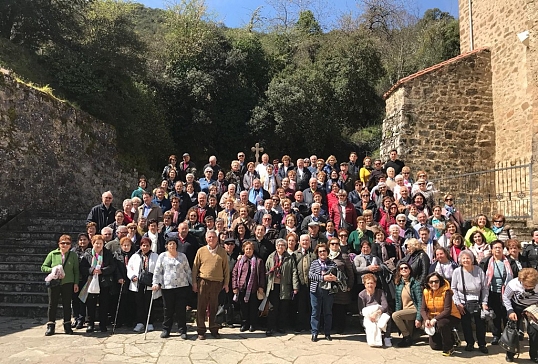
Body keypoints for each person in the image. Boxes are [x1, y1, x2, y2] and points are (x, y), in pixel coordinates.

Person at [192, 230, 230, 340]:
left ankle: (214, 329)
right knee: (201, 307)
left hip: (217, 283)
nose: (211, 239)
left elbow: (226, 269)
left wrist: (226, 283)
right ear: (206, 239)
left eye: (213, 237)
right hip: (203, 282)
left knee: (214, 307)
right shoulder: (201, 251)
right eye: (209, 237)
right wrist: (194, 282)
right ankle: (201, 331)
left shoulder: (222, 252)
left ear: (217, 239)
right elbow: (195, 268)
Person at [152, 236, 192, 339]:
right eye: (170, 244)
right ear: (166, 246)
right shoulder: (162, 256)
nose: (172, 245)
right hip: (167, 287)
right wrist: (156, 283)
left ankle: (182, 330)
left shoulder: (182, 256)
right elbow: (158, 271)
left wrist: (193, 283)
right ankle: (166, 330)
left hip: (181, 286)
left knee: (180, 310)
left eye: (174, 243)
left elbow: (188, 271)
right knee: (168, 310)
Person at [451, 250, 489, 353]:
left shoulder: (479, 270)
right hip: (463, 302)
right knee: (466, 324)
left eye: (468, 258)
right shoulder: (457, 272)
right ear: (460, 260)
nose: (466, 260)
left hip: (478, 302)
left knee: (480, 324)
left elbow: (485, 288)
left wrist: (484, 302)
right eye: (463, 258)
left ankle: (482, 343)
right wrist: (458, 303)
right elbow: (453, 288)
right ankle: (469, 343)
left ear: (472, 259)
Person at [41, 235, 80, 336]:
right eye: (63, 243)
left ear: (70, 245)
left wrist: (76, 283)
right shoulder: (53, 254)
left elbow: (76, 270)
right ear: (59, 244)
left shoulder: (73, 255)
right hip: (55, 282)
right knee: (52, 304)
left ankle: (67, 325)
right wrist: (52, 269)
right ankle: (51, 325)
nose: (65, 245)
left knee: (67, 304)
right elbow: (43, 267)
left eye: (67, 243)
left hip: (68, 282)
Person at [479, 239, 513, 345]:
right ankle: (496, 335)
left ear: (503, 249)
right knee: (496, 315)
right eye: (495, 247)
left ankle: (508, 336)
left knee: (506, 314)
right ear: (492, 250)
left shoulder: (509, 262)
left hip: (507, 292)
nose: (498, 249)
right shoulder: (486, 261)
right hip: (492, 292)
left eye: (500, 247)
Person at [81, 234, 117, 333]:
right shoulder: (88, 253)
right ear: (93, 243)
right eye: (97, 243)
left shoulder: (107, 253)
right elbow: (82, 267)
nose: (98, 245)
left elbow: (112, 266)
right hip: (91, 281)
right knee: (90, 303)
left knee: (104, 303)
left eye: (100, 243)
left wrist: (102, 271)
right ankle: (90, 323)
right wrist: (91, 270)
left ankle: (103, 324)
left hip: (103, 282)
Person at [421, 272, 461, 356]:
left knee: (441, 324)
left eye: (436, 281)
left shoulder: (447, 292)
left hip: (451, 316)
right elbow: (422, 309)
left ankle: (449, 348)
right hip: (434, 317)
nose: (434, 284)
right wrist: (426, 319)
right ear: (428, 283)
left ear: (440, 281)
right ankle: (452, 337)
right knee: (435, 346)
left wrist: (434, 320)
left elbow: (447, 310)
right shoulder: (425, 292)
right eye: (431, 282)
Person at [265, 238, 299, 336]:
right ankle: (270, 327)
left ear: (285, 247)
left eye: (282, 245)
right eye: (279, 245)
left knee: (283, 308)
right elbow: (266, 270)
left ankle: (281, 327)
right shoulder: (271, 257)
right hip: (273, 286)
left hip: (285, 286)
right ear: (276, 247)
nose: (280, 247)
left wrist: (295, 286)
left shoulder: (289, 258)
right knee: (272, 308)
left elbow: (294, 272)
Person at [502, 268, 538, 362]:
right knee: (513, 331)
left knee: (534, 332)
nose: (527, 287)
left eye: (530, 286)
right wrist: (510, 311)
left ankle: (534, 354)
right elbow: (506, 297)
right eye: (525, 285)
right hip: (516, 306)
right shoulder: (513, 284)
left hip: (533, 307)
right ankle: (510, 353)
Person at [127, 237, 161, 333]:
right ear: (140, 246)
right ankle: (140, 322)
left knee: (149, 303)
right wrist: (132, 276)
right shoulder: (135, 256)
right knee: (139, 303)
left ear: (150, 246)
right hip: (137, 283)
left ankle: (149, 322)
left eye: (147, 245)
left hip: (150, 283)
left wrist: (156, 282)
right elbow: (129, 267)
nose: (145, 247)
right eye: (143, 245)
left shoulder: (155, 256)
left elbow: (158, 270)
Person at [232, 241, 266, 332]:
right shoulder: (240, 261)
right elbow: (234, 273)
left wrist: (261, 286)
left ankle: (252, 324)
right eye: (246, 249)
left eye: (250, 249)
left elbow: (262, 275)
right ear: (243, 250)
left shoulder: (259, 261)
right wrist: (235, 286)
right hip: (242, 288)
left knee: (253, 308)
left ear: (253, 249)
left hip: (254, 289)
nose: (248, 250)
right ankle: (245, 323)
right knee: (244, 308)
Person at [309, 243, 337, 342]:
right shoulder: (314, 263)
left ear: (327, 252)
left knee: (328, 312)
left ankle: (327, 333)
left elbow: (337, 275)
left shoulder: (332, 263)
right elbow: (310, 275)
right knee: (315, 312)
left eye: (324, 251)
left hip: (328, 291)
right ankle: (314, 332)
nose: (322, 253)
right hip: (315, 290)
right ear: (317, 253)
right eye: (320, 251)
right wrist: (323, 278)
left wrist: (335, 278)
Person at [392, 262, 423, 348]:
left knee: (395, 315)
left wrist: (418, 318)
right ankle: (407, 338)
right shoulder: (398, 284)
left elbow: (420, 302)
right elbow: (398, 302)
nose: (404, 270)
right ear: (399, 271)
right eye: (401, 268)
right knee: (409, 335)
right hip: (405, 311)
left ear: (409, 270)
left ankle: (407, 337)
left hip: (414, 310)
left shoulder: (415, 284)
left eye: (406, 268)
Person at [328, 237, 354, 334]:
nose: (334, 246)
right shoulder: (326, 256)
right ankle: (331, 327)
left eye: (336, 244)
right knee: (330, 307)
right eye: (332, 244)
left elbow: (350, 273)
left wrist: (350, 285)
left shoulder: (344, 256)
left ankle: (340, 328)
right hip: (329, 287)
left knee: (340, 309)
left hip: (341, 287)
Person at [358, 273, 392, 347]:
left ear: (375, 284)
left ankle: (387, 337)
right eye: (368, 283)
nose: (370, 285)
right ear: (365, 284)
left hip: (379, 312)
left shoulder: (380, 292)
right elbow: (361, 310)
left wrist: (377, 313)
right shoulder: (361, 295)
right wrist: (370, 315)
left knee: (387, 316)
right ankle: (374, 340)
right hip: (369, 315)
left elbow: (385, 305)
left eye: (372, 283)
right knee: (370, 324)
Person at [71, 233, 91, 330]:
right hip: (75, 278)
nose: (82, 242)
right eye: (81, 240)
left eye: (84, 239)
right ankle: (75, 317)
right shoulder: (73, 251)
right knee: (74, 299)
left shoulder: (91, 250)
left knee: (82, 299)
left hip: (86, 278)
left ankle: (81, 319)